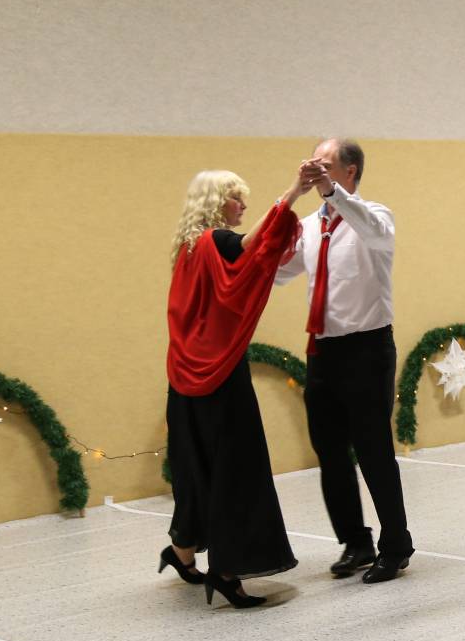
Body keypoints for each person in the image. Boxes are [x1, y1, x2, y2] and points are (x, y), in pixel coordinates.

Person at [164, 162, 322, 608]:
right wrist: (293, 192)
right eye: (236, 198)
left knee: (196, 467)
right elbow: (253, 244)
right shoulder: (214, 241)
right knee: (237, 470)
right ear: (216, 202)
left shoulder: (187, 247)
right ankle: (227, 574)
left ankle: (182, 553)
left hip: (183, 376)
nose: (242, 205)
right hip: (220, 375)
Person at [275, 138, 414, 584]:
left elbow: (373, 231)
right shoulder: (309, 227)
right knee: (329, 450)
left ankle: (397, 546)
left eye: (325, 163)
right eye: (313, 162)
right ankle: (356, 542)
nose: (315, 168)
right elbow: (279, 272)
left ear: (349, 171)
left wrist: (332, 194)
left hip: (367, 349)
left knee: (373, 450)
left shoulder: (375, 216)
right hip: (323, 350)